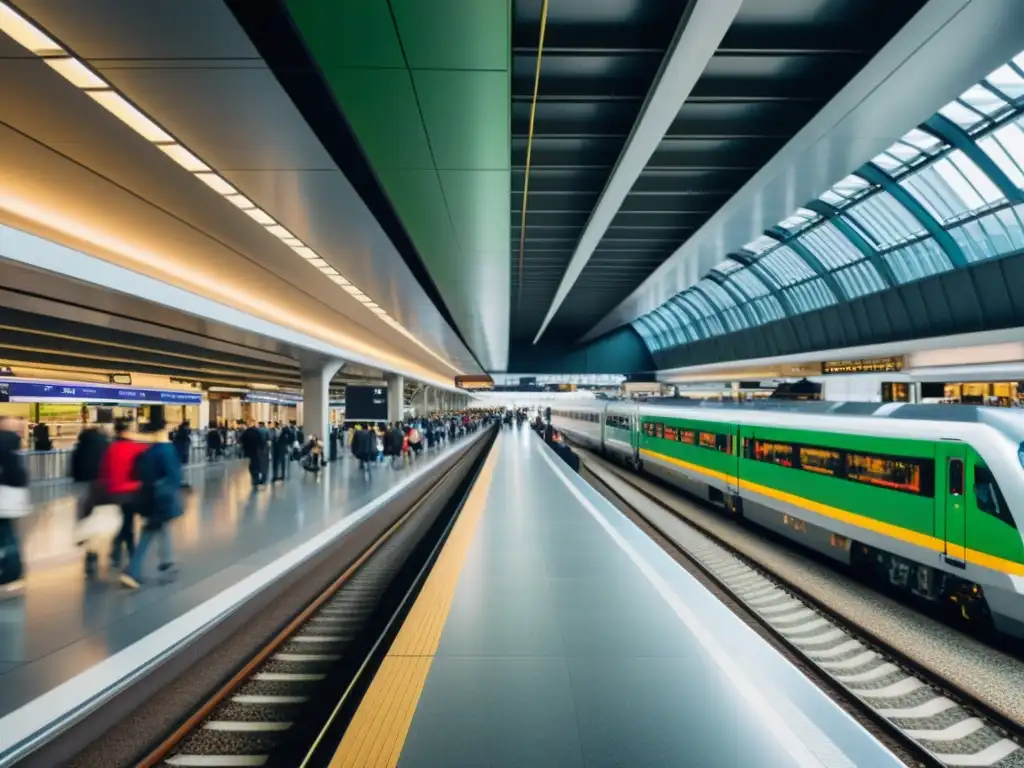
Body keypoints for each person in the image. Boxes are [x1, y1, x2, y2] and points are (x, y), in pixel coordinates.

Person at [120, 408, 182, 589]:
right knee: (149, 533)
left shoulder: (148, 451)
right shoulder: (166, 450)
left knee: (162, 527)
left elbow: (139, 473)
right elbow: (174, 477)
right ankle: (132, 571)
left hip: (148, 496)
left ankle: (167, 561)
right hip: (162, 499)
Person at [100, 418, 147, 568]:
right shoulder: (135, 447)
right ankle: (130, 552)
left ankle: (117, 553)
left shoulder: (111, 448)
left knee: (122, 523)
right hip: (131, 492)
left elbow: (104, 471)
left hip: (113, 493)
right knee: (127, 523)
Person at [0, 417, 28, 596]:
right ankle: (12, 571)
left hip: (4, 495)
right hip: (13, 496)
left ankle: (12, 573)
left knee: (7, 535)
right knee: (8, 533)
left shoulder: (2, 443)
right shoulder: (14, 444)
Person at [239, 421, 265, 488]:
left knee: (252, 465)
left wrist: (244, 446)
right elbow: (260, 441)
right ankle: (256, 479)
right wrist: (262, 448)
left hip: (249, 450)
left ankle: (254, 477)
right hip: (256, 451)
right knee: (255, 464)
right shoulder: (256, 432)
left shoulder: (246, 432)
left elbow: (241, 440)